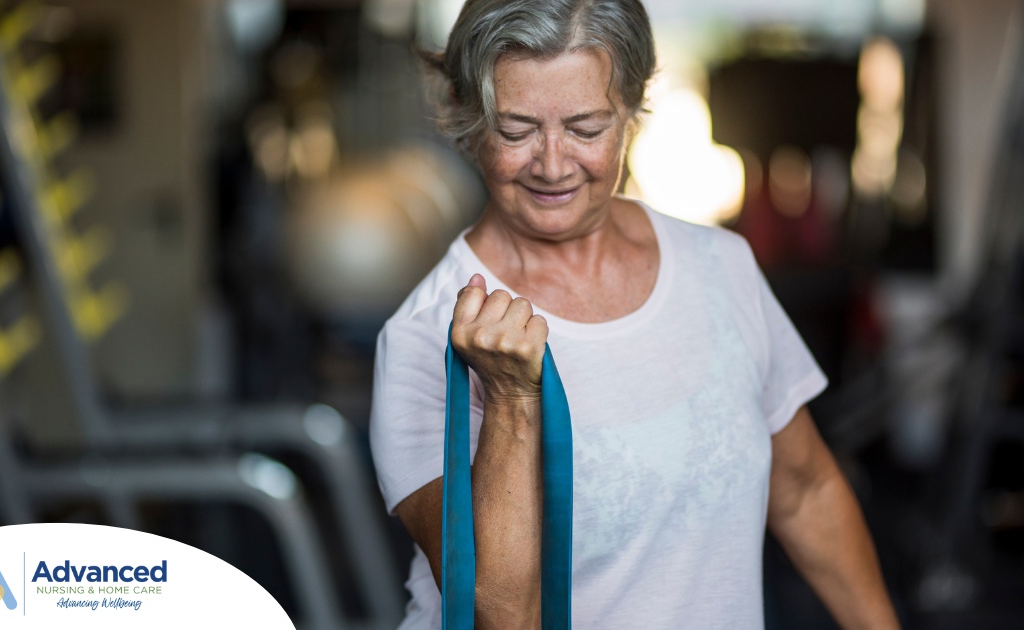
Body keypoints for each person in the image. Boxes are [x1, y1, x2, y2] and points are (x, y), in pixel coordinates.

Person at [369, 0, 900, 627]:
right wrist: (512, 402)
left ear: (633, 110)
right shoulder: (424, 336)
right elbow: (502, 614)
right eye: (515, 130)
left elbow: (805, 489)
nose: (553, 163)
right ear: (468, 116)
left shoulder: (719, 266)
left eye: (587, 128)